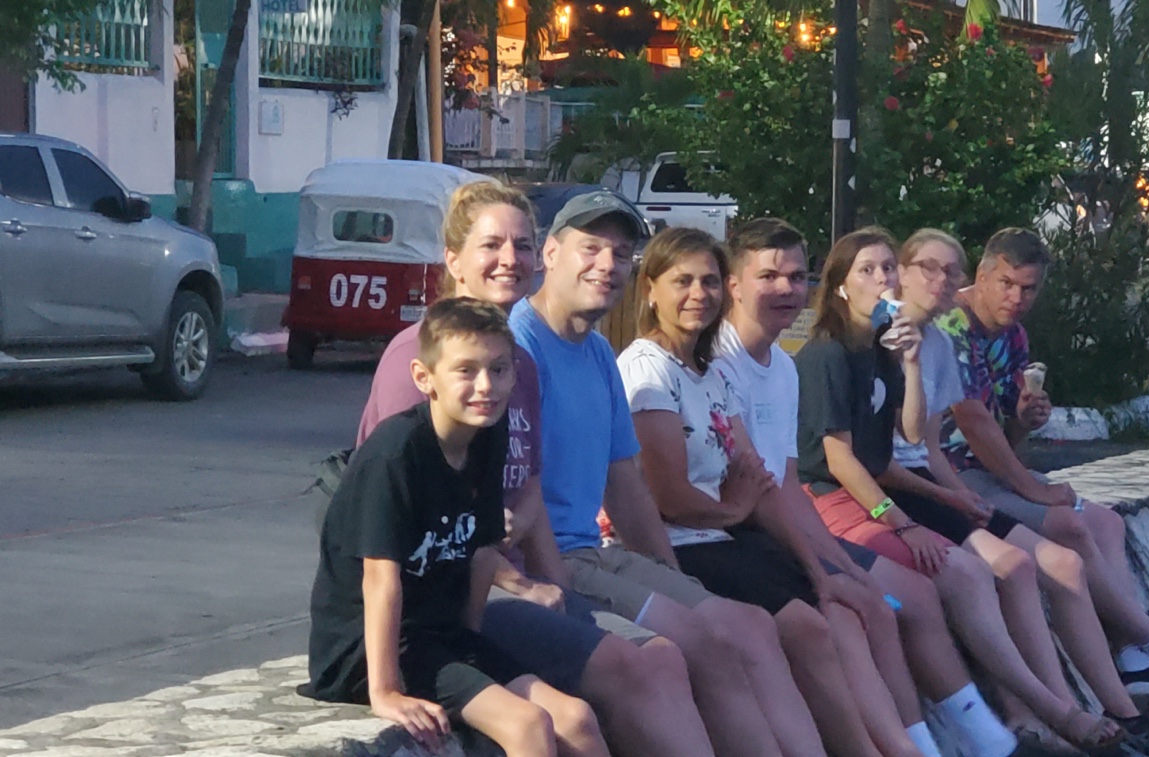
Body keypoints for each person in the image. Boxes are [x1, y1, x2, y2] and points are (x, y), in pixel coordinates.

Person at [352, 181, 716, 757]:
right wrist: (518, 583)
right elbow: (414, 529)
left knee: (660, 658)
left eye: (521, 245)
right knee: (622, 674)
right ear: (454, 260)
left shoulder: (515, 364)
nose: (510, 259)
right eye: (491, 245)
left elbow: (529, 494)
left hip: (505, 588)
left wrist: (562, 595)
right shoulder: (418, 361)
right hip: (442, 607)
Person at [713, 219, 1076, 757]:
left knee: (899, 599)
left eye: (887, 268)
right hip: (807, 508)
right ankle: (1013, 724)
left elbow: (908, 437)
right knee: (893, 600)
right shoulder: (815, 357)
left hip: (811, 508)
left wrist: (908, 362)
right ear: (840, 285)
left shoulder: (843, 358)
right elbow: (835, 464)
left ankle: (1005, 729)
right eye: (869, 269)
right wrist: (897, 526)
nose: (883, 279)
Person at [511, 191, 829, 757]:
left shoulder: (598, 354)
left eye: (621, 254)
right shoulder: (520, 346)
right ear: (550, 253)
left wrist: (671, 579)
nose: (607, 264)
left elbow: (625, 485)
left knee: (739, 627)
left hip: (594, 552)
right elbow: (515, 492)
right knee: (687, 646)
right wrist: (558, 585)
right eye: (591, 248)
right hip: (544, 562)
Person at [617, 227, 937, 757]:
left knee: (847, 610)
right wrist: (737, 507)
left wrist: (825, 572)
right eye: (683, 282)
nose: (699, 294)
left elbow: (765, 484)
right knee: (805, 628)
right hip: (684, 541)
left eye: (708, 281)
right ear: (650, 289)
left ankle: (903, 746)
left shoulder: (710, 372)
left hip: (725, 533)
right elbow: (671, 499)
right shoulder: (646, 369)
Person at [936, 226, 1149, 705]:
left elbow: (1002, 436)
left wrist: (1024, 420)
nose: (1017, 298)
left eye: (1028, 288)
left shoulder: (1014, 337)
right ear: (981, 275)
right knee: (1068, 525)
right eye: (1006, 284)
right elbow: (972, 421)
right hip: (949, 475)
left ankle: (1132, 662)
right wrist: (1034, 489)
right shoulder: (952, 326)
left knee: (1106, 523)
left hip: (986, 469)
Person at [304, 298, 607, 757]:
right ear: (424, 377)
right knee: (527, 724)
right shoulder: (395, 454)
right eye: (466, 371)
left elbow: (482, 553)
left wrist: (470, 646)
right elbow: (380, 579)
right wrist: (386, 691)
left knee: (576, 719)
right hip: (371, 649)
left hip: (441, 638)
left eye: (499, 369)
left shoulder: (488, 434)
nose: (486, 386)